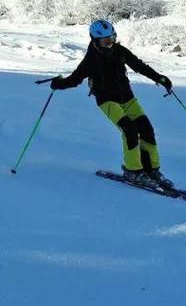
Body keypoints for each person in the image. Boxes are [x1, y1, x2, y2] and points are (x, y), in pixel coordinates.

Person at [50, 19, 175, 190]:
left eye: (112, 38)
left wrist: (160, 78)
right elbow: (75, 79)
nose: (110, 44)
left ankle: (152, 169)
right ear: (95, 41)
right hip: (107, 101)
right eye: (105, 41)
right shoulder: (90, 61)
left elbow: (140, 66)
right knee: (129, 130)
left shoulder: (120, 51)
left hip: (128, 98)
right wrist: (59, 83)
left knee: (147, 129)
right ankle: (133, 171)